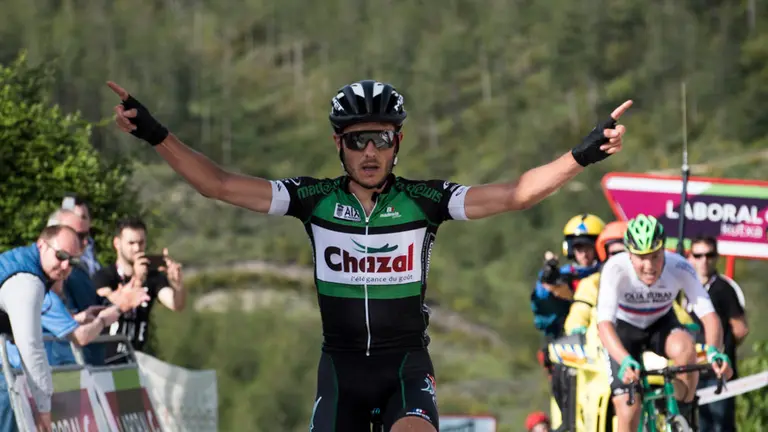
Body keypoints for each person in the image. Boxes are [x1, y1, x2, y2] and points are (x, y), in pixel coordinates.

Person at [107, 78, 632, 432]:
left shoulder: (425, 201)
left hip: (404, 363)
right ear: (339, 145)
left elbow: (514, 193)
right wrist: (154, 133)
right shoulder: (312, 200)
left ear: (397, 140)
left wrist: (582, 154)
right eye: (357, 141)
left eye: (380, 139)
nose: (370, 152)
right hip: (340, 367)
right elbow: (218, 184)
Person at [596, 214, 732, 432]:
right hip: (623, 331)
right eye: (642, 257)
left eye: (656, 256)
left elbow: (709, 316)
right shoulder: (615, 269)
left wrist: (715, 352)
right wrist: (624, 360)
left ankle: (678, 413)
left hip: (660, 324)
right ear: (630, 255)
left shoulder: (679, 267)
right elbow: (604, 325)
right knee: (629, 409)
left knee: (686, 347)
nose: (649, 265)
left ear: (663, 252)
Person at [0, 225, 83, 432]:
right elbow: (31, 346)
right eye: (61, 255)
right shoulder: (28, 283)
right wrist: (44, 409)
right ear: (41, 245)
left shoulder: (25, 264)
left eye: (72, 261)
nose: (65, 266)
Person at [92, 217, 184, 362]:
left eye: (141, 243)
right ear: (117, 243)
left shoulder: (153, 277)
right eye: (131, 243)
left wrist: (177, 284)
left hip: (136, 358)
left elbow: (176, 304)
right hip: (105, 359)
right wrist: (137, 280)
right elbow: (110, 305)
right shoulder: (104, 276)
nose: (136, 248)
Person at [686, 235, 748, 432]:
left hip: (718, 369)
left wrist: (724, 346)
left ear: (716, 257)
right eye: (698, 255)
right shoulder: (684, 288)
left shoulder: (724, 288)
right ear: (690, 257)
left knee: (720, 425)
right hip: (692, 368)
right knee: (698, 424)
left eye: (709, 255)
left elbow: (740, 328)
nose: (704, 260)